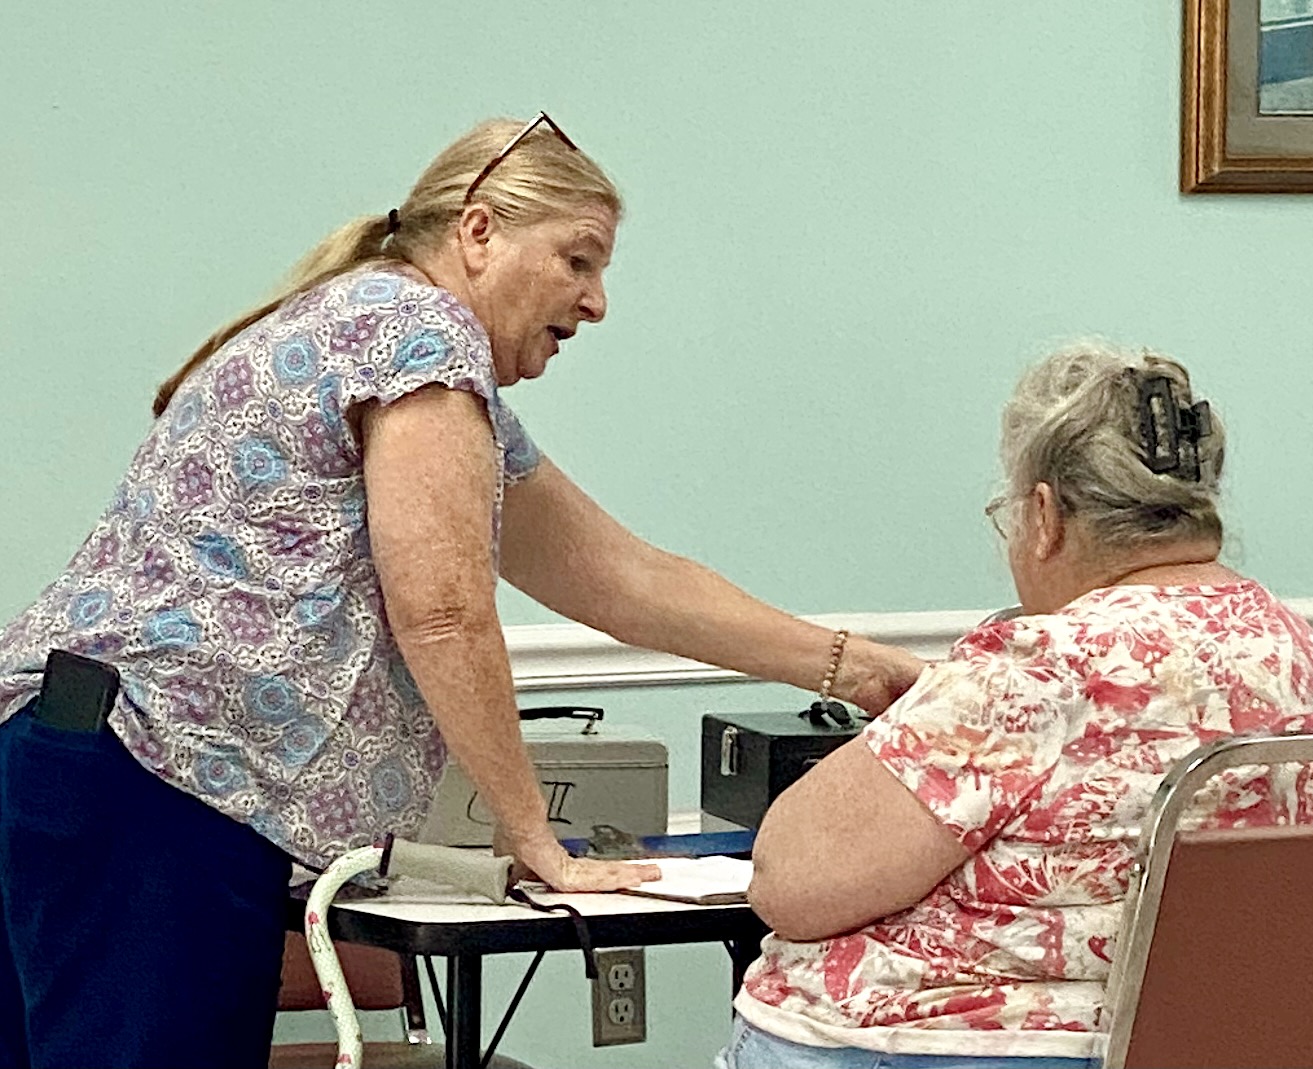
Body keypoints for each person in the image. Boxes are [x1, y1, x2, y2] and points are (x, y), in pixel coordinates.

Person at [0, 114, 923, 1069]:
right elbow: (440, 606)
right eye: (578, 259)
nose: (597, 300)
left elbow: (627, 578)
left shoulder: (379, 331)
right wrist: (538, 840)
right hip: (157, 782)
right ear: (478, 231)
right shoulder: (419, 333)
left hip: (77, 759)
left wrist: (851, 663)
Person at [722, 342, 1313, 1068]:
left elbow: (791, 881)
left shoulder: (1047, 661)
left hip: (954, 1046)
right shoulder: (1289, 649)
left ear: (1044, 514)